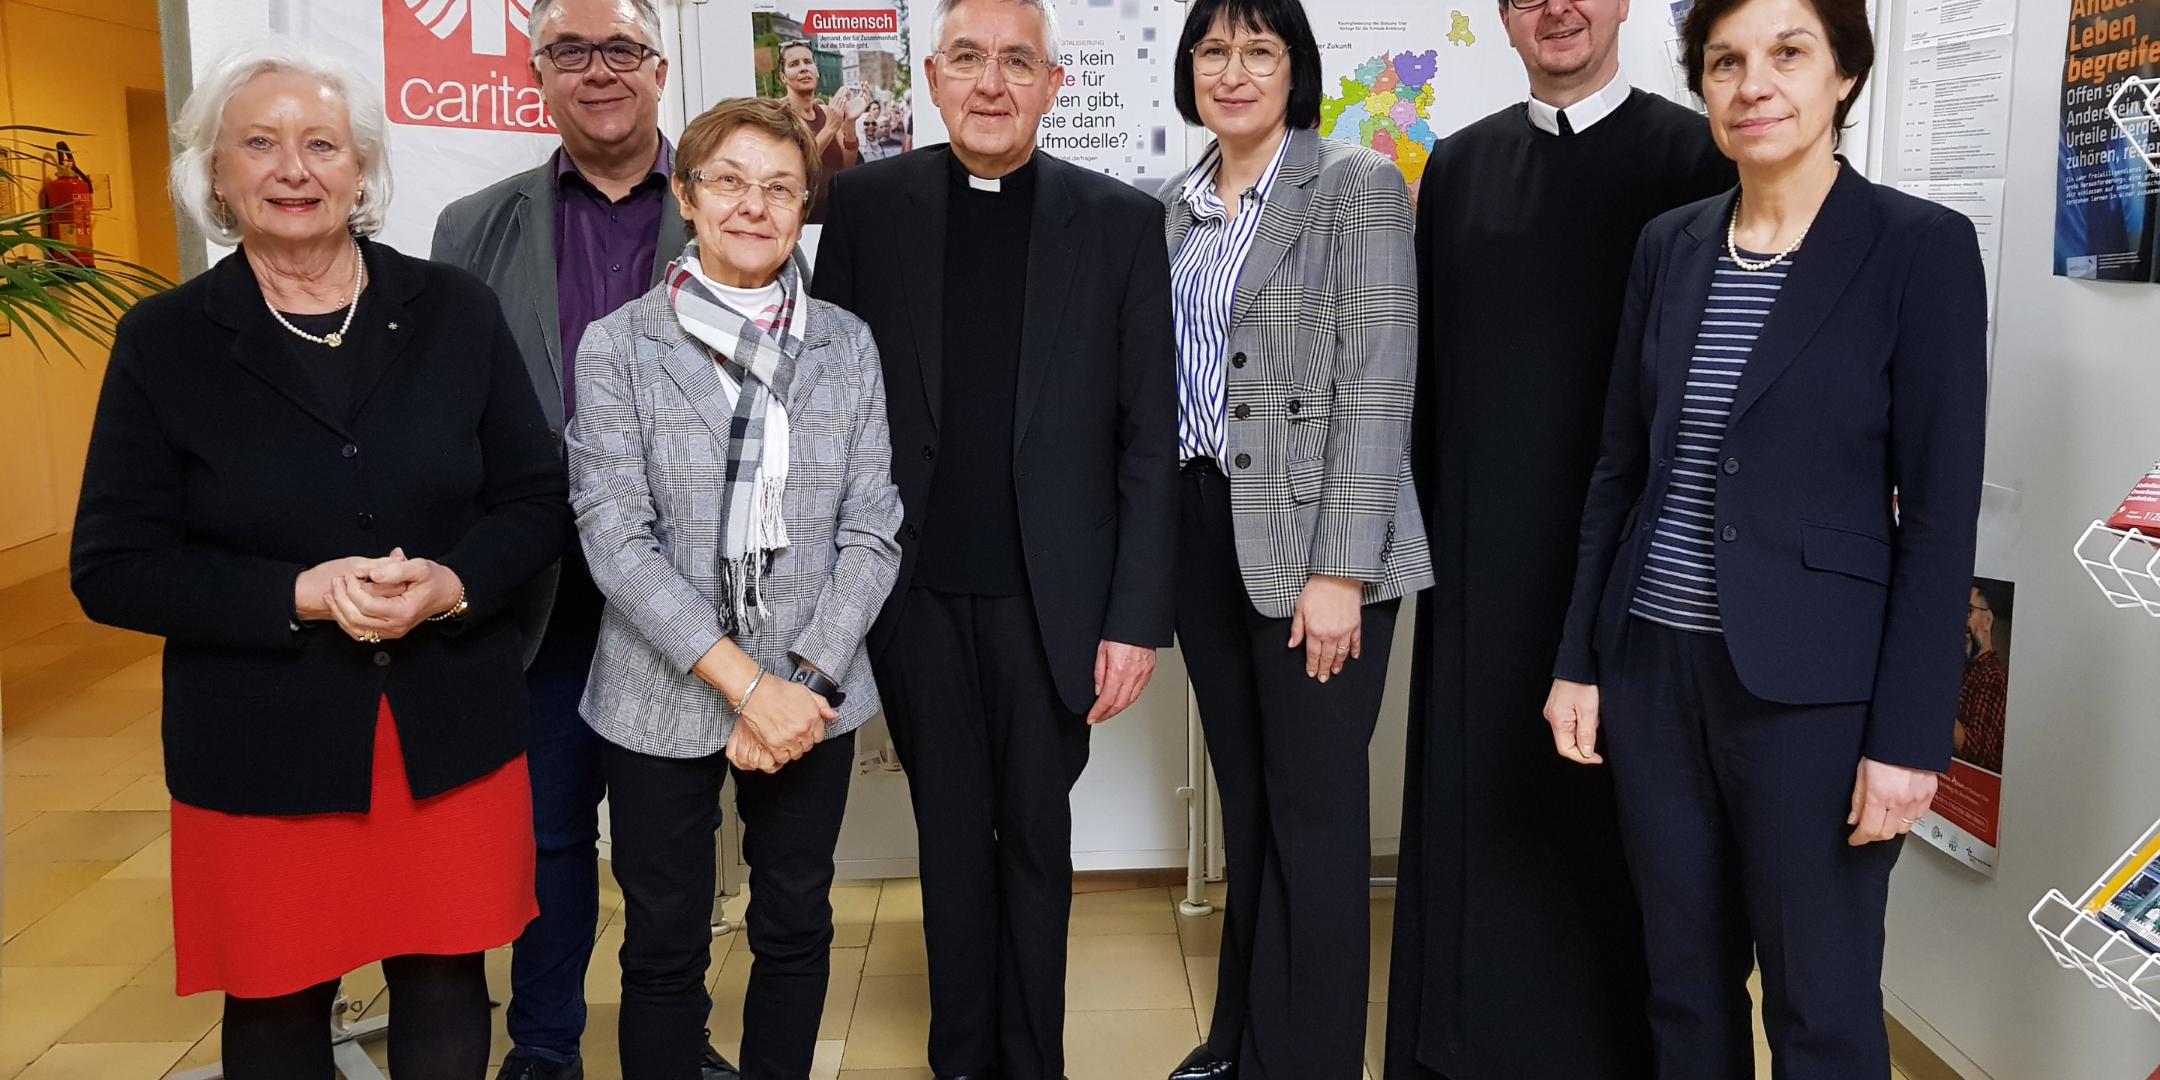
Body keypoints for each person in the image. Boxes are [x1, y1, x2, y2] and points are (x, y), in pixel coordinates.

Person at [69, 39, 569, 1079]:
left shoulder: (455, 311)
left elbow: (533, 500)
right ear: (214, 172)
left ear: (361, 170)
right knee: (276, 996)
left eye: (321, 144)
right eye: (259, 143)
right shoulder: (165, 341)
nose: (293, 168)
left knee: (444, 978)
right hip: (261, 734)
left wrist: (452, 582)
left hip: (445, 720)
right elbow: (113, 563)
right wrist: (293, 594)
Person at [1542, 0, 1986, 1071]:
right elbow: (1621, 470)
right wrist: (1580, 663)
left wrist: (1910, 741)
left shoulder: (1917, 249)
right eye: (1727, 61)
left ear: (1843, 75)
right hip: (1655, 676)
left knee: (1819, 1005)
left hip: (1815, 700)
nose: (1754, 85)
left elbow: (1936, 519)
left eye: (1788, 54)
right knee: (1683, 994)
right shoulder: (1672, 245)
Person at [810, 0, 1179, 1073]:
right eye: (969, 58)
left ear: (1053, 87)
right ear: (931, 77)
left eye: (1019, 63)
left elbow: (1146, 436)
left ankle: (1036, 1059)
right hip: (911, 591)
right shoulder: (869, 206)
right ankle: (960, 1053)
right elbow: (831, 406)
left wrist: (1135, 618)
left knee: (1034, 839)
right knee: (948, 838)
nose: (992, 82)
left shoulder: (1115, 221)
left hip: (1051, 600)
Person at [1382, 0, 1735, 1068]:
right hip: (1482, 571)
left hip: (1638, 572)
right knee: (1478, 824)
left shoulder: (1699, 156)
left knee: (1629, 847)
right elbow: (1426, 384)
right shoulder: (1458, 168)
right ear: (1503, 16)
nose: (1558, 10)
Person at [568, 95, 903, 1080]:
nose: (753, 207)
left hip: (812, 691)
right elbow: (614, 538)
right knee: (664, 943)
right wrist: (743, 685)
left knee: (795, 923)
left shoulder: (847, 343)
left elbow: (872, 526)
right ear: (687, 195)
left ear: (805, 205)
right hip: (661, 689)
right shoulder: (619, 346)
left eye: (779, 188)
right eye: (729, 183)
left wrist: (803, 676)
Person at [428, 2, 731, 1076]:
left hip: (683, 593)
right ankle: (544, 1047)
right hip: (539, 594)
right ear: (536, 72)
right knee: (547, 838)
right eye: (570, 51)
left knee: (672, 844)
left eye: (621, 51)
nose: (598, 72)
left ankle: (674, 1042)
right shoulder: (473, 227)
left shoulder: (726, 215)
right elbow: (451, 412)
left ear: (659, 71)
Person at [1154, 0, 1432, 1076]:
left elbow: (1376, 383)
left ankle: (1308, 1061)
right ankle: (1240, 1042)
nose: (1234, 70)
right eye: (1214, 50)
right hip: (1203, 532)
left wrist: (1338, 572)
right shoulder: (1176, 207)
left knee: (1315, 824)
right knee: (1253, 807)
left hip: (1322, 550)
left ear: (1294, 67)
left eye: (1258, 50)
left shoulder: (1352, 186)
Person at [775, 39, 864, 223]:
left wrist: (850, 123)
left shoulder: (825, 111)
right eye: (794, 64)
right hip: (802, 221)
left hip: (835, 215)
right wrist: (830, 127)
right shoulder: (777, 114)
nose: (803, 68)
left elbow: (847, 166)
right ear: (783, 77)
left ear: (817, 71)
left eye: (808, 62)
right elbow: (794, 165)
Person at [1955, 583, 2007, 773]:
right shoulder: (1964, 670)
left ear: (1987, 620)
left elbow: (1977, 751)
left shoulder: (1992, 677)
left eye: (1968, 610)